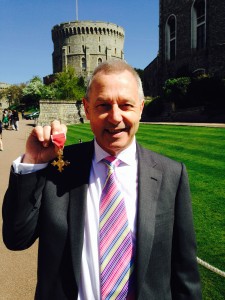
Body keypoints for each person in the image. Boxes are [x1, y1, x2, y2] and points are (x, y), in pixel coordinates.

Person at [2, 60, 202, 299]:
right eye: (103, 105)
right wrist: (33, 162)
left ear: (140, 108)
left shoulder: (171, 174)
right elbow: (16, 238)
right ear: (87, 109)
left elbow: (185, 274)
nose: (115, 117)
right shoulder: (58, 167)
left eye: (126, 105)